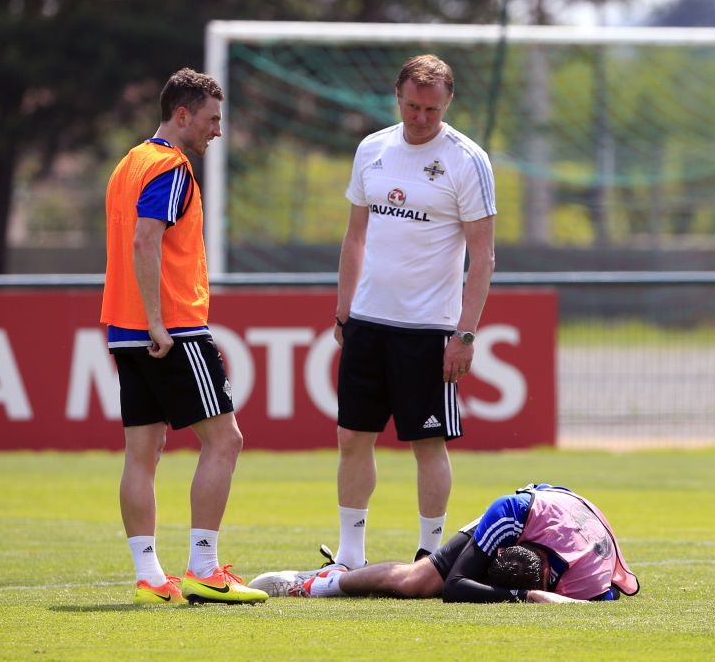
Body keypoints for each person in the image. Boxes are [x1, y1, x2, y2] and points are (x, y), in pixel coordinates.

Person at [100, 68, 267, 606]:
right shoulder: (172, 167)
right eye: (213, 119)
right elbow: (147, 242)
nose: (218, 130)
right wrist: (158, 322)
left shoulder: (130, 162)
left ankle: (150, 577)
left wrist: (141, 322)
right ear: (183, 116)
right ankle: (204, 567)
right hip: (169, 327)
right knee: (226, 440)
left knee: (141, 453)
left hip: (124, 328)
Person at [330, 53, 497, 570]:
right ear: (397, 98)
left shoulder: (468, 160)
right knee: (352, 437)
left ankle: (430, 554)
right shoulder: (372, 149)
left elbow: (483, 255)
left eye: (430, 108)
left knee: (427, 442)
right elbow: (355, 234)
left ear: (448, 103)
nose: (420, 117)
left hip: (428, 329)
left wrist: (464, 335)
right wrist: (344, 311)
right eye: (411, 106)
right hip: (368, 321)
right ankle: (349, 554)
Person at [248, 484, 640, 604]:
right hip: (535, 508)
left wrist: (527, 594)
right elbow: (455, 587)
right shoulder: (510, 515)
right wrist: (523, 595)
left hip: (568, 517)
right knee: (418, 582)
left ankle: (323, 581)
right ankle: (319, 582)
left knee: (423, 587)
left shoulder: (584, 582)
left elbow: (601, 602)